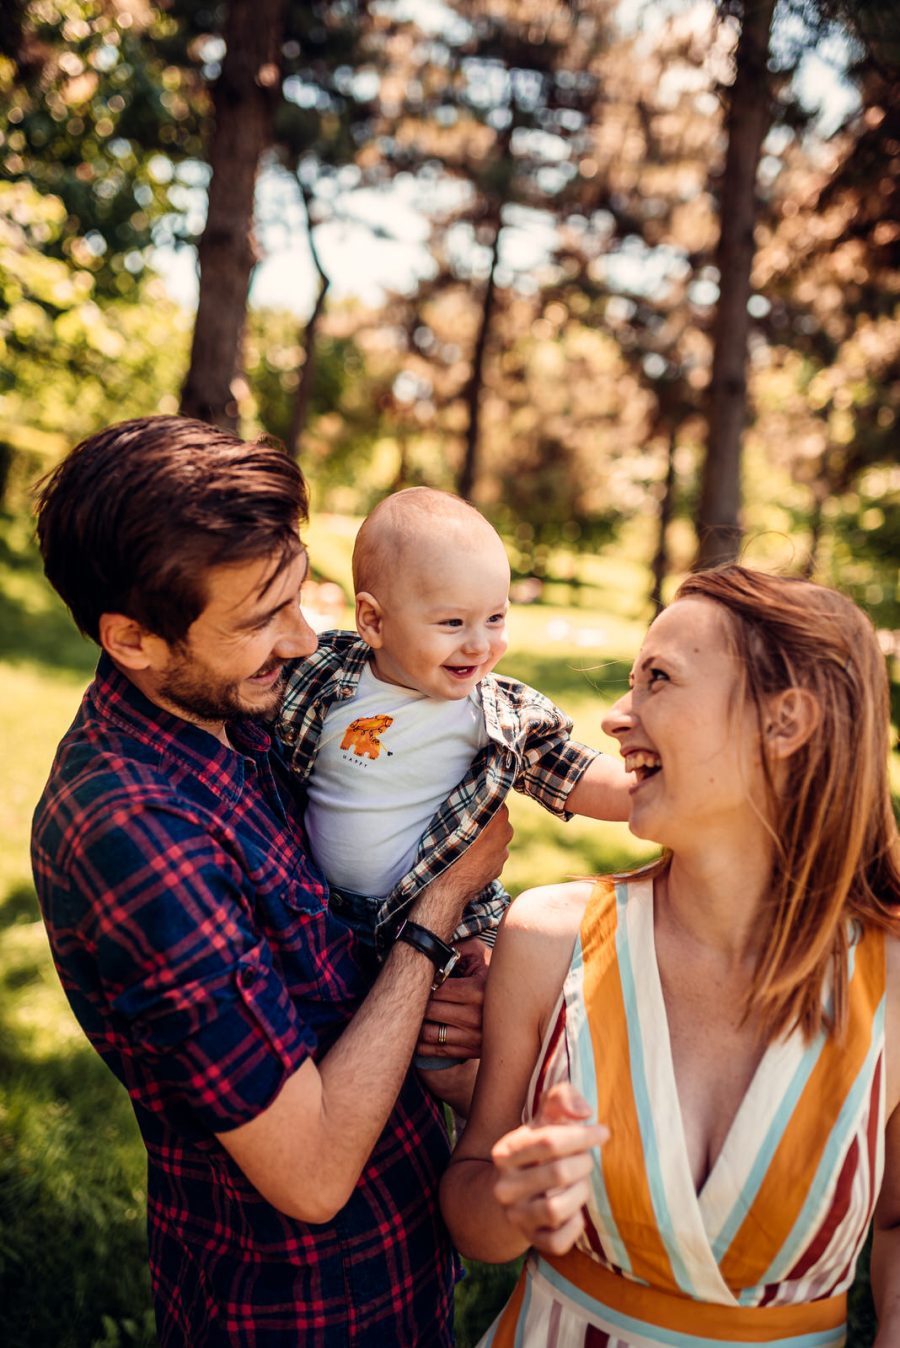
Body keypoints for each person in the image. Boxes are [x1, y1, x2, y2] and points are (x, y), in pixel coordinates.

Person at [30, 415, 513, 1348]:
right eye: (260, 620)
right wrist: (437, 909)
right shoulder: (133, 829)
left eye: (299, 596)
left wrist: (454, 990)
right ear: (132, 639)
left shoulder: (249, 714)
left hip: (403, 1257)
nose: (302, 641)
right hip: (295, 1306)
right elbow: (312, 1172)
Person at [441, 565, 900, 1346]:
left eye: (658, 679)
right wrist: (512, 1202)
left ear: (784, 722)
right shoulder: (550, 938)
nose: (617, 718)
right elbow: (475, 1216)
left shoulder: (889, 977)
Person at [275, 487, 631, 1072]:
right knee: (337, 1046)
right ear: (373, 620)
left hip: (447, 925)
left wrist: (651, 791)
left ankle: (496, 1143)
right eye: (452, 622)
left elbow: (574, 773)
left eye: (496, 618)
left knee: (452, 1058)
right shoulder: (323, 675)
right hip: (325, 918)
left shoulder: (492, 714)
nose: (481, 644)